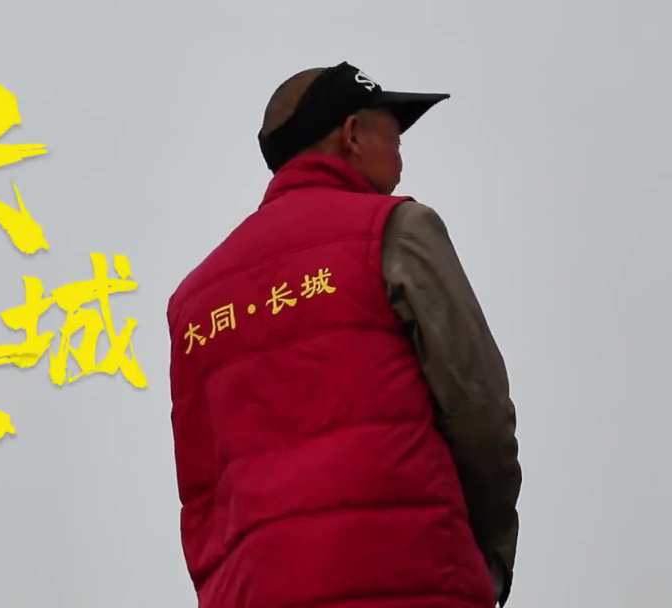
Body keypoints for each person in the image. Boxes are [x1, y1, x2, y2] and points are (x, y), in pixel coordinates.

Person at [167, 61, 522, 607]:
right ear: (352, 134)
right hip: (413, 578)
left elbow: (201, 493)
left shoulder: (194, 303)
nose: (400, 153)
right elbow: (479, 411)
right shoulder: (396, 230)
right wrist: (490, 554)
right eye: (393, 132)